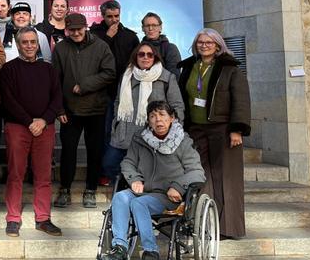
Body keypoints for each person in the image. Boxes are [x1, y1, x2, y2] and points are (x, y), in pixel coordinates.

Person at [102, 101, 205, 260]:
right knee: (120, 197)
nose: (158, 120)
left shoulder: (183, 142)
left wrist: (178, 186)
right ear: (148, 121)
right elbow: (128, 162)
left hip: (166, 196)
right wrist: (134, 178)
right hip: (142, 190)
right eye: (153, 116)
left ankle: (151, 251)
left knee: (138, 203)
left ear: (172, 118)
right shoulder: (140, 139)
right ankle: (120, 247)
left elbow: (197, 172)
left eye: (162, 115)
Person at [178, 28, 251, 239]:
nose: (204, 45)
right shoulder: (189, 67)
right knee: (201, 176)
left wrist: (237, 129)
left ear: (218, 45)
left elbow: (241, 101)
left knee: (227, 178)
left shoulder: (230, 69)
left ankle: (229, 228)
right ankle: (205, 225)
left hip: (223, 129)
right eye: (200, 42)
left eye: (209, 42)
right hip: (196, 129)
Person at [0, 27, 63, 237]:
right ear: (18, 44)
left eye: (32, 42)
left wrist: (43, 120)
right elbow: (8, 101)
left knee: (43, 174)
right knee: (16, 173)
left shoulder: (49, 69)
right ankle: (13, 218)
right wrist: (29, 122)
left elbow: (57, 99)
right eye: (24, 42)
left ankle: (43, 218)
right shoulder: (8, 69)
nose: (29, 46)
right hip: (18, 127)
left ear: (37, 44)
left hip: (45, 127)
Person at [52, 13, 116, 209]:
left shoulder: (101, 46)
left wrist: (85, 85)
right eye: (72, 30)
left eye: (80, 29)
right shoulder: (61, 48)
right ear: (67, 30)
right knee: (68, 151)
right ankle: (64, 189)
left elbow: (110, 72)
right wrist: (59, 108)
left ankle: (90, 190)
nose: (76, 32)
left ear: (86, 27)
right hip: (69, 110)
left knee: (94, 151)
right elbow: (55, 80)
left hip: (96, 108)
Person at [102, 43, 184, 189]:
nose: (145, 57)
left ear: (155, 57)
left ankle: (138, 194)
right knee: (109, 163)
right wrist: (116, 123)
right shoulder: (127, 75)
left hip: (152, 133)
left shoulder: (166, 77)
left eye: (149, 54)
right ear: (136, 57)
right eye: (141, 54)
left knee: (146, 169)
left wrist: (173, 130)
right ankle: (126, 187)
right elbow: (118, 101)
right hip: (125, 132)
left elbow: (177, 105)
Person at [90, 0, 140, 185]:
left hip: (126, 93)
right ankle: (105, 172)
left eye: (116, 16)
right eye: (109, 17)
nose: (113, 20)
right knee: (105, 132)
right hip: (103, 93)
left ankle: (126, 171)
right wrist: (108, 37)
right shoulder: (94, 35)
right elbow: (93, 59)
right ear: (102, 16)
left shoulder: (129, 35)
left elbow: (138, 60)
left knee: (125, 132)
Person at [141, 12, 182, 76]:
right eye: (147, 26)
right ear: (143, 28)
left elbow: (174, 77)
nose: (150, 28)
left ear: (160, 27)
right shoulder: (137, 49)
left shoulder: (170, 48)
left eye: (154, 25)